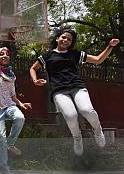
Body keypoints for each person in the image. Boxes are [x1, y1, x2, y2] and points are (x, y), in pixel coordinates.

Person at [30, 27, 119, 155]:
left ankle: (98, 130)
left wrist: (110, 46)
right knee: (71, 115)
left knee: (86, 110)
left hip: (77, 87)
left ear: (71, 43)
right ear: (57, 38)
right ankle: (77, 138)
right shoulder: (48, 55)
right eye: (63, 37)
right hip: (59, 91)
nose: (66, 40)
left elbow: (98, 60)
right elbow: (33, 68)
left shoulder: (75, 54)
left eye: (69, 39)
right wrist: (35, 80)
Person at [0, 47, 31, 174]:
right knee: (0, 139)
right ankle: (5, 172)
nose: (5, 56)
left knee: (20, 118)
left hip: (9, 105)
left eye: (7, 54)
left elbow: (12, 94)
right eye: (2, 54)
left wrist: (21, 103)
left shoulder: (11, 75)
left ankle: (10, 144)